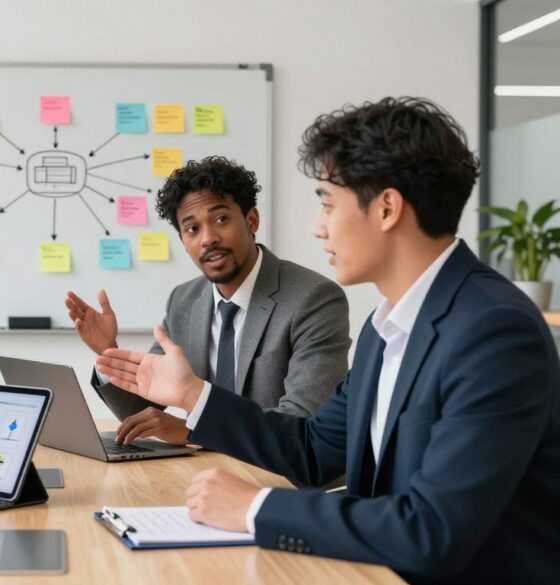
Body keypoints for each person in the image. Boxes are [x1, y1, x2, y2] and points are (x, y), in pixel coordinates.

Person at [96, 97, 560, 584]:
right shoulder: (390, 325)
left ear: (386, 208)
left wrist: (257, 507)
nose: (318, 227)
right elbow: (314, 451)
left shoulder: (493, 331)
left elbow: (431, 531)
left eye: (327, 203)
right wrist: (191, 395)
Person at [65, 156, 350, 446]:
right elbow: (140, 411)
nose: (208, 238)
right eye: (192, 229)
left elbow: (303, 421)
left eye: (221, 219)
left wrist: (196, 432)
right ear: (183, 242)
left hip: (283, 481)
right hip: (207, 475)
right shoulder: (184, 301)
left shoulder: (313, 299)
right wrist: (109, 353)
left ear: (252, 221)